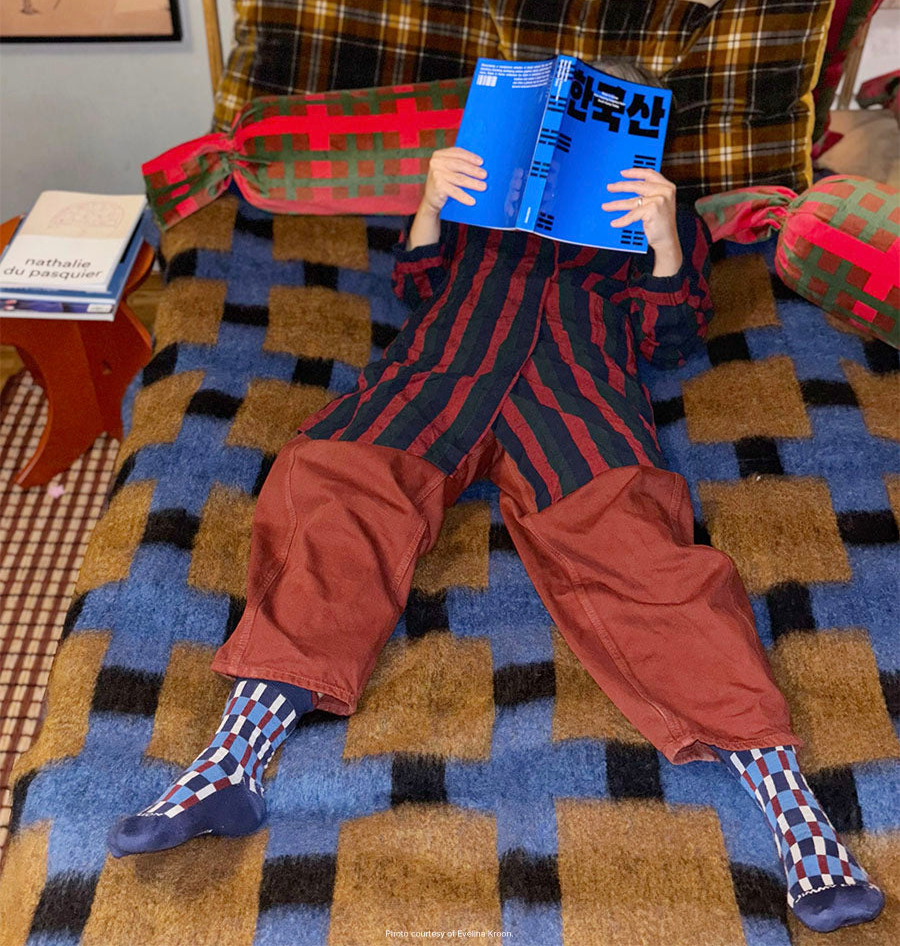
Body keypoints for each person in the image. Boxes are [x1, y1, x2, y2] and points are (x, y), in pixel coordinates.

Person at [107, 59, 883, 934]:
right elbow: (417, 287)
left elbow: (671, 340)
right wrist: (431, 205)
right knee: (334, 494)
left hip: (578, 395)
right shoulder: (485, 192)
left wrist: (666, 244)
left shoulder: (659, 213)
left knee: (648, 561)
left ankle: (794, 814)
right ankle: (229, 764)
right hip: (439, 372)